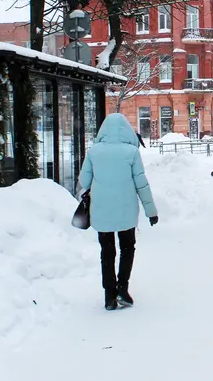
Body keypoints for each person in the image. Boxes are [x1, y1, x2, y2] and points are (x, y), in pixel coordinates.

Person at [77, 113, 159, 311]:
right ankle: (122, 287)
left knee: (107, 252)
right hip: (126, 210)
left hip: (101, 211)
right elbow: (141, 183)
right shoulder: (131, 152)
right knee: (127, 248)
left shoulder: (94, 152)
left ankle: (108, 296)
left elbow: (84, 181)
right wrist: (151, 211)